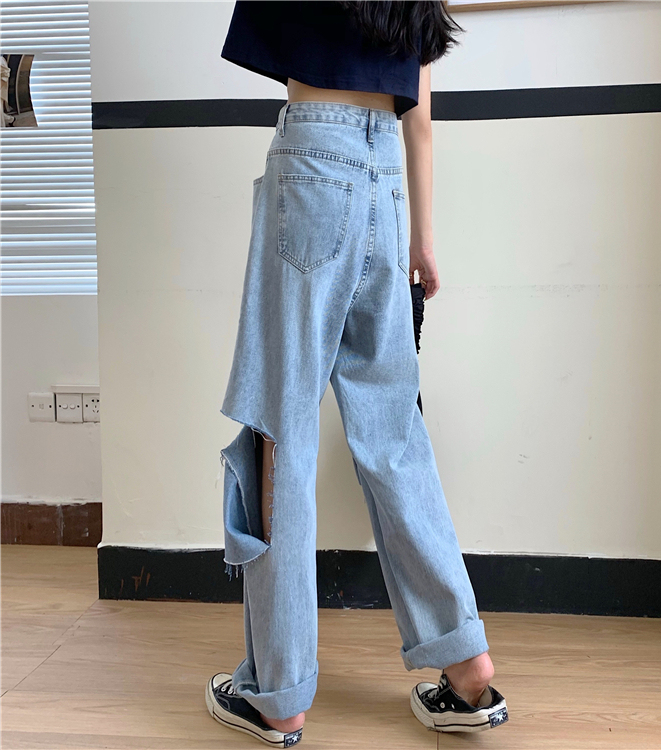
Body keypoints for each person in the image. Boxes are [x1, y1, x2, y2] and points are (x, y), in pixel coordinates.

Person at [205, 2, 508, 745]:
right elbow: (420, 116)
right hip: (386, 182)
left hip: (314, 160)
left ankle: (278, 695)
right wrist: (422, 239)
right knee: (393, 434)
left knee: (281, 432)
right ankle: (467, 664)